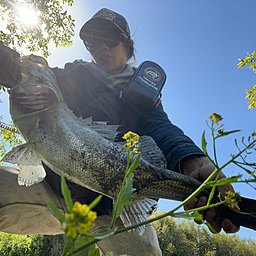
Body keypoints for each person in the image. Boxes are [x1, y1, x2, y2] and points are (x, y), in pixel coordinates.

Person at [0, 8, 239, 256]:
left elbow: (159, 126)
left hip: (116, 210)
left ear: (128, 44)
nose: (101, 47)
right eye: (92, 41)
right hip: (52, 190)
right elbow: (21, 74)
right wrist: (11, 64)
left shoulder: (144, 93)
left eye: (110, 39)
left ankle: (232, 208)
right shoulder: (68, 76)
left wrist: (191, 159)